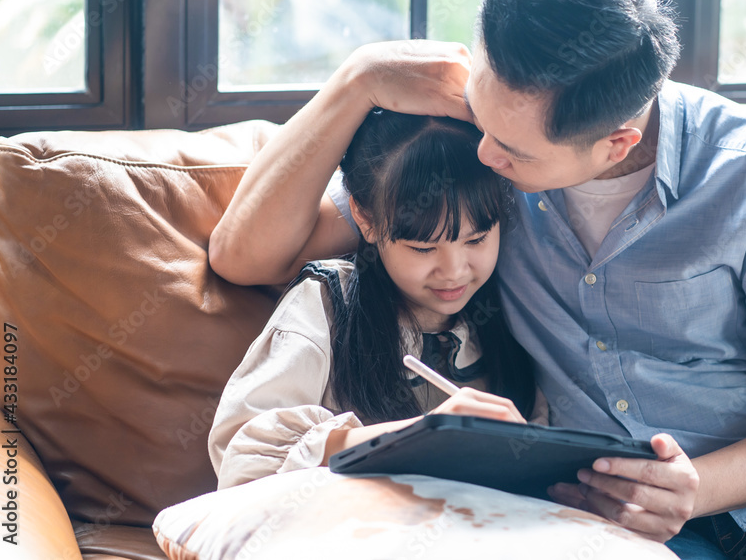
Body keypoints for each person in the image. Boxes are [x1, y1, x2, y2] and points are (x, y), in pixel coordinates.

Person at [208, 0, 746, 557]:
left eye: (514, 152)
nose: (485, 155)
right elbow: (246, 256)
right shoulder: (483, 143)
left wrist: (697, 486)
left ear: (615, 142)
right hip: (607, 523)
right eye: (483, 117)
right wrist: (357, 79)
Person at [208, 110, 539, 490]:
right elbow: (244, 460)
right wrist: (418, 436)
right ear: (365, 220)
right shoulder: (329, 304)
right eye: (423, 247)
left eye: (476, 240)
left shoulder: (512, 298)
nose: (454, 270)